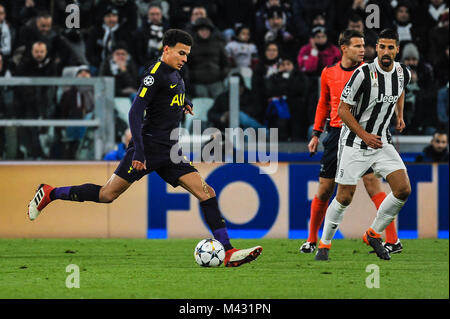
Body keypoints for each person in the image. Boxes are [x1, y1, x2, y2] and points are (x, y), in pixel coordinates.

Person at [28, 29, 262, 268]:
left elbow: (172, 96)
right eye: (181, 53)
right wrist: (139, 151)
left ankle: (229, 251)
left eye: (188, 55)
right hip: (148, 149)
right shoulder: (154, 74)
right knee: (107, 195)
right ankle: (50, 192)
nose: (185, 58)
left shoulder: (176, 73)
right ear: (166, 49)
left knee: (206, 192)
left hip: (170, 152)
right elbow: (135, 111)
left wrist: (185, 102)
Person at [299, 30, 401, 255]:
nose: (363, 50)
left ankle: (393, 240)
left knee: (374, 185)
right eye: (357, 46)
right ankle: (311, 239)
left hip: (367, 134)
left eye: (364, 45)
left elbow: (397, 84)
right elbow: (324, 104)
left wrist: (397, 117)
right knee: (326, 189)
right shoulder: (329, 73)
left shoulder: (371, 71)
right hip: (337, 134)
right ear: (343, 48)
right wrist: (316, 133)